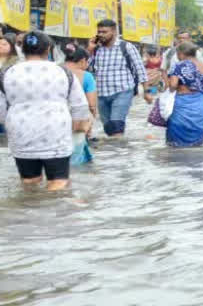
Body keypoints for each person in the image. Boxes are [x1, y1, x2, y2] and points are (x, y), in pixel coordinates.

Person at [0, 31, 91, 190]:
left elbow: (1, 110)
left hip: (21, 132)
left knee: (29, 182)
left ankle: (29, 211)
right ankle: (53, 210)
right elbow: (80, 106)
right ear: (48, 49)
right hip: (56, 132)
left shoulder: (7, 73)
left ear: (23, 48)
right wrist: (79, 127)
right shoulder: (63, 72)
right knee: (59, 182)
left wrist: (9, 123)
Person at [87, 19, 150, 137]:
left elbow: (140, 70)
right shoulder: (96, 49)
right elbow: (85, 68)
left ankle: (121, 152)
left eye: (104, 32)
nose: (101, 35)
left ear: (114, 32)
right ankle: (116, 151)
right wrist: (90, 50)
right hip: (101, 94)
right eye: (99, 32)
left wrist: (146, 92)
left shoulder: (126, 47)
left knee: (116, 126)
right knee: (108, 129)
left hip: (123, 91)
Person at [166, 42, 203, 147]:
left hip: (183, 103)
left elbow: (173, 85)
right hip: (201, 104)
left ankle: (175, 160)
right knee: (197, 138)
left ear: (181, 53)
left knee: (176, 140)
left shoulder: (178, 65)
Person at [64, 48, 99, 121]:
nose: (87, 65)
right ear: (82, 61)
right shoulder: (87, 76)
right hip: (78, 119)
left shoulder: (54, 70)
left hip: (58, 117)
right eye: (87, 62)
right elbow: (91, 104)